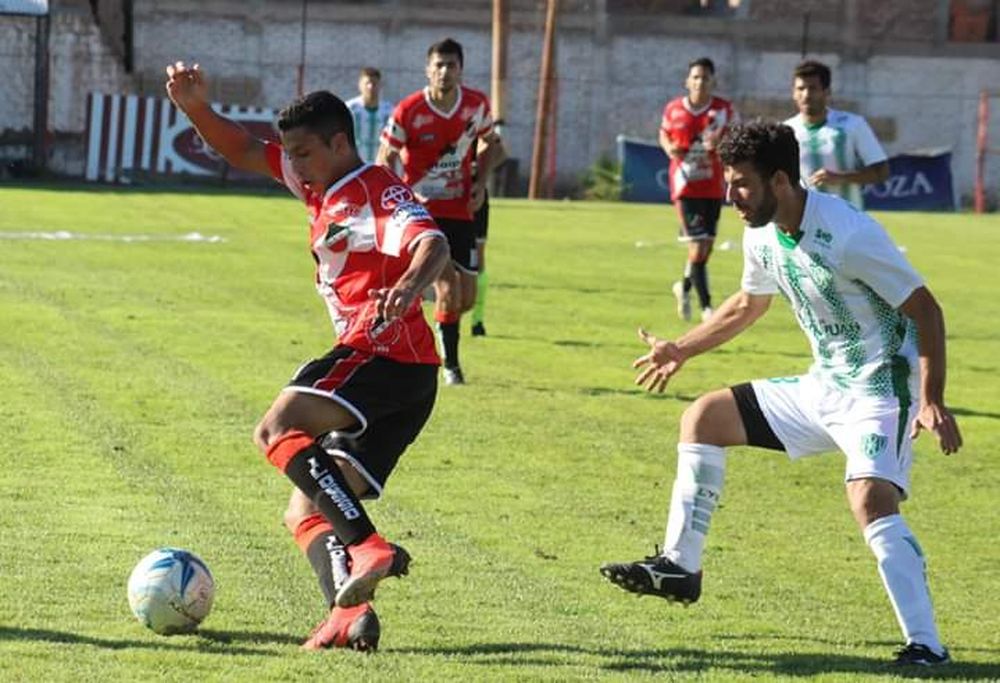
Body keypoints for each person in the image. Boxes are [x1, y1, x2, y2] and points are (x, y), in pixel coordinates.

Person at [600, 121, 962, 666]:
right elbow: (749, 304)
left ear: (779, 180)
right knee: (705, 418)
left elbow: (926, 310)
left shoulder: (849, 234)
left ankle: (927, 646)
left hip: (880, 389)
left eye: (741, 184)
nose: (730, 197)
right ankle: (681, 567)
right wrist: (682, 349)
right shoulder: (761, 234)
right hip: (825, 385)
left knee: (869, 499)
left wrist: (931, 398)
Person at [165, 61, 450, 652]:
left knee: (277, 425)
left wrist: (407, 286)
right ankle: (350, 615)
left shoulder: (376, 191)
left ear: (339, 143)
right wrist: (196, 107)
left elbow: (432, 241)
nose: (291, 164)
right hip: (403, 379)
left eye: (302, 152)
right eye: (289, 154)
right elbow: (244, 149)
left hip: (385, 355)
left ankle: (370, 547)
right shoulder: (318, 183)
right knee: (304, 511)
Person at [377, 38, 504, 385]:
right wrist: (396, 198)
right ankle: (450, 368)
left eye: (451, 65)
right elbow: (385, 155)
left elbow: (492, 144)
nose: (445, 71)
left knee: (465, 299)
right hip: (422, 214)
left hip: (461, 210)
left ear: (461, 70)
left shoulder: (476, 105)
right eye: (439, 65)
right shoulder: (409, 110)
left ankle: (417, 311)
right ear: (428, 69)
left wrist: (480, 181)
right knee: (447, 287)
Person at [659, 57, 737, 323]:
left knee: (705, 249)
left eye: (705, 78)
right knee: (698, 246)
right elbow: (664, 133)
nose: (700, 82)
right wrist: (670, 149)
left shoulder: (723, 110)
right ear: (687, 81)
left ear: (713, 81)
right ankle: (707, 310)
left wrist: (719, 147)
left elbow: (735, 137)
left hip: (713, 186)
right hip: (684, 185)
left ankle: (684, 286)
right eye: (695, 77)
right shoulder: (674, 109)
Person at [784, 60, 889, 209]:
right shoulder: (787, 130)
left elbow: (881, 172)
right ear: (794, 93)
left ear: (827, 91)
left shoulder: (853, 124)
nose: (806, 95)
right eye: (801, 89)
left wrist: (842, 177)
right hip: (804, 218)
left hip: (846, 218)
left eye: (813, 88)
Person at [469, 127, 508, 337]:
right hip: (444, 201)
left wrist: (480, 166)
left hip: (477, 201)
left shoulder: (478, 126)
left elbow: (502, 152)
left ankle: (478, 319)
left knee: (479, 260)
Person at [345, 67, 394, 164]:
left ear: (380, 85)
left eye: (374, 83)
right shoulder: (349, 109)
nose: (370, 87)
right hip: (354, 167)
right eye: (367, 83)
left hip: (379, 167)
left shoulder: (389, 111)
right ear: (360, 85)